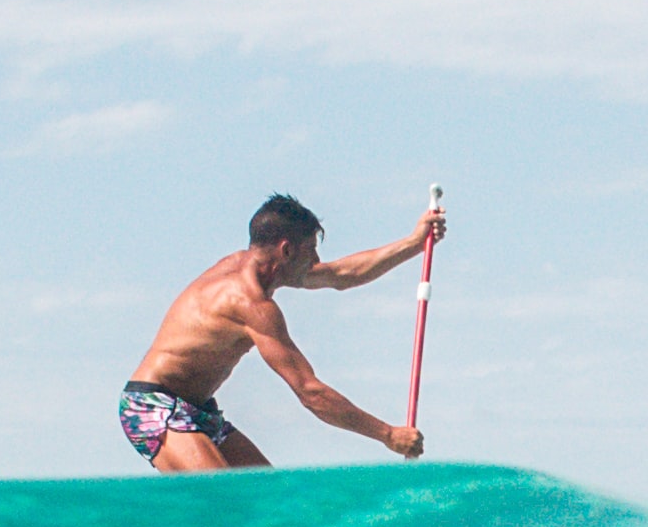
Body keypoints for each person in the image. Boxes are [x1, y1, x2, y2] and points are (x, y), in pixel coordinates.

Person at [118, 193, 441, 471]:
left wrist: (414, 243)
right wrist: (388, 435)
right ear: (286, 251)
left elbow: (342, 274)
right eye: (311, 250)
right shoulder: (249, 303)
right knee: (224, 499)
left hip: (199, 410)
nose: (316, 260)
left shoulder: (255, 267)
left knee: (272, 501)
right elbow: (311, 393)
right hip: (152, 405)